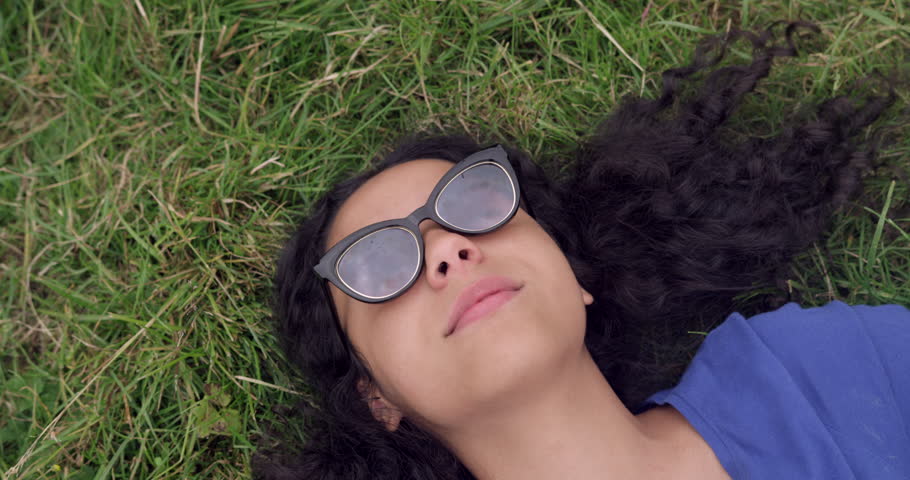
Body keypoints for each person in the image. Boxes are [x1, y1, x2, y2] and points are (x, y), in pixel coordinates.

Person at [253, 22, 908, 479]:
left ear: (573, 272)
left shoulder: (810, 373)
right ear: (377, 398)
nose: (447, 250)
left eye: (480, 204)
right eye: (378, 266)